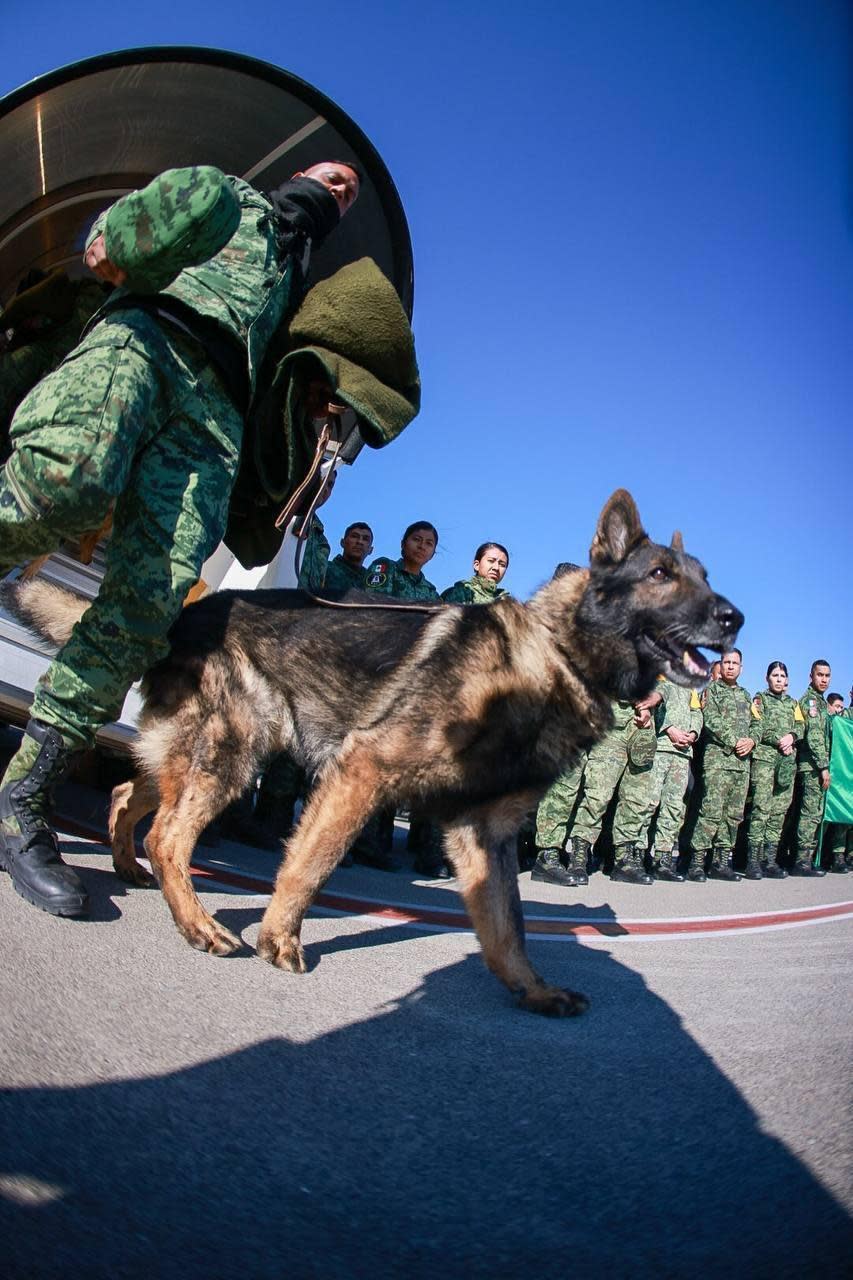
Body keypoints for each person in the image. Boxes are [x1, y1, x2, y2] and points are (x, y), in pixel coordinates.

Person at [0, 159, 362, 918]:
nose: (340, 190)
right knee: (64, 484)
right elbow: (113, 240)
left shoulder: (300, 298)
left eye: (349, 192)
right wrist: (118, 238)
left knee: (144, 605)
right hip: (146, 340)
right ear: (299, 173)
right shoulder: (227, 198)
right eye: (332, 176)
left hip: (214, 420)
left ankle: (21, 799)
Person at [560, 698, 658, 887]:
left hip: (643, 731)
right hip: (612, 727)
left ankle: (624, 861)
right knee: (597, 795)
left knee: (636, 799)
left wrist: (655, 696)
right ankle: (579, 857)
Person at [688, 648, 754, 882]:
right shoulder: (712, 690)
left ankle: (721, 861)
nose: (730, 666)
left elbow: (757, 723)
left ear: (741, 668)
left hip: (741, 764)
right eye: (726, 662)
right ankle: (697, 862)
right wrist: (735, 740)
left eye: (735, 663)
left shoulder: (747, 696)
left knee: (733, 815)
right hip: (718, 761)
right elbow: (711, 720)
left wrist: (751, 740)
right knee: (711, 811)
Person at [637, 677, 703, 882]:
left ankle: (662, 860)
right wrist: (669, 729)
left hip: (683, 754)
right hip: (660, 749)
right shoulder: (658, 676)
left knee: (673, 808)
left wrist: (693, 733)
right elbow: (647, 705)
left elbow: (696, 712)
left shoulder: (689, 685)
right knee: (649, 804)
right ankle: (638, 855)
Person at [743, 661, 805, 879]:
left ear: (787, 680)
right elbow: (757, 725)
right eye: (775, 675)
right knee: (761, 809)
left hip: (787, 763)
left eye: (782, 676)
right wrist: (779, 739)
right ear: (767, 678)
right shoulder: (760, 699)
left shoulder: (793, 703)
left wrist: (792, 737)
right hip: (765, 760)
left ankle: (769, 860)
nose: (779, 679)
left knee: (779, 812)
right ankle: (752, 861)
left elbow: (801, 725)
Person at [793, 659, 832, 876]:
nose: (823, 679)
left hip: (817, 766)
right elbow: (815, 738)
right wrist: (824, 767)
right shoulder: (811, 703)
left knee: (815, 813)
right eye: (820, 675)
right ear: (811, 676)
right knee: (810, 814)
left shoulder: (822, 702)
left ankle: (806, 858)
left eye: (827, 676)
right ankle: (801, 861)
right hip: (812, 767)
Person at [365, 521, 441, 600]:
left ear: (433, 554)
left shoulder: (431, 592)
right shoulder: (386, 567)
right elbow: (375, 604)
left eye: (429, 543)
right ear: (403, 544)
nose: (422, 546)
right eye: (417, 539)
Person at [441, 542, 510, 604]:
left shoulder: (507, 602)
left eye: (502, 565)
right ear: (476, 565)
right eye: (491, 561)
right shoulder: (462, 592)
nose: (496, 568)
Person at [323, 521, 374, 591]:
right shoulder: (324, 568)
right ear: (342, 542)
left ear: (370, 550)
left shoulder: (371, 582)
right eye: (354, 536)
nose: (359, 542)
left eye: (365, 539)